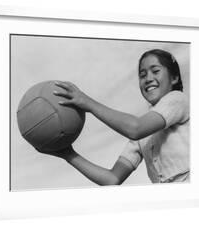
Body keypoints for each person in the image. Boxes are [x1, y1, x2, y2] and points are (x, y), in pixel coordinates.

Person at [46, 49, 190, 185]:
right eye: (142, 74)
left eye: (156, 71)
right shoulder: (142, 137)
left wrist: (87, 102)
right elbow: (112, 179)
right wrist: (68, 154)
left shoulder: (177, 100)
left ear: (174, 78)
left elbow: (136, 128)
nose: (148, 78)